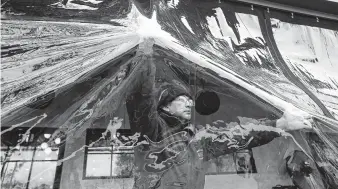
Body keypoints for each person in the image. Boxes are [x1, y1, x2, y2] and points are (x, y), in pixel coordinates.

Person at [125, 58, 314, 189]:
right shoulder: (151, 131)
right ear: (165, 107)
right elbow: (139, 99)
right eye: (182, 99)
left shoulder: (198, 139)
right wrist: (145, 54)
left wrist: (280, 124)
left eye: (191, 100)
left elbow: (238, 135)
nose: (190, 103)